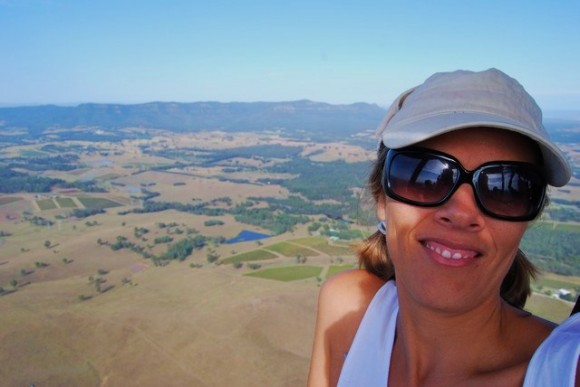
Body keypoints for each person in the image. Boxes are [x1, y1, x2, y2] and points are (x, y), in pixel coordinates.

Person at [307, 68, 580, 386]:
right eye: (424, 177)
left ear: (526, 219)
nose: (462, 213)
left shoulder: (560, 371)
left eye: (506, 189)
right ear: (381, 198)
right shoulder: (348, 312)